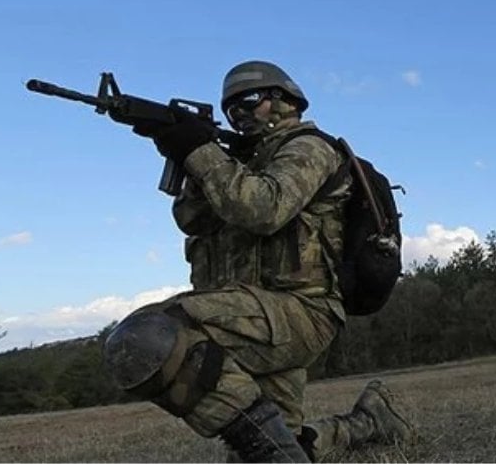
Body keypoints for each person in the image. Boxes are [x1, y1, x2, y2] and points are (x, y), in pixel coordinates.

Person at [100, 60, 414, 462]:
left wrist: (200, 150)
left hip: (299, 312)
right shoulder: (238, 165)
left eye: (250, 100)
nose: (240, 114)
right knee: (277, 444)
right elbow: (191, 219)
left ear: (284, 100)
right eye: (231, 109)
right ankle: (370, 422)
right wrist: (190, 154)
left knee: (146, 337)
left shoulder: (310, 148)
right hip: (254, 314)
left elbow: (263, 209)